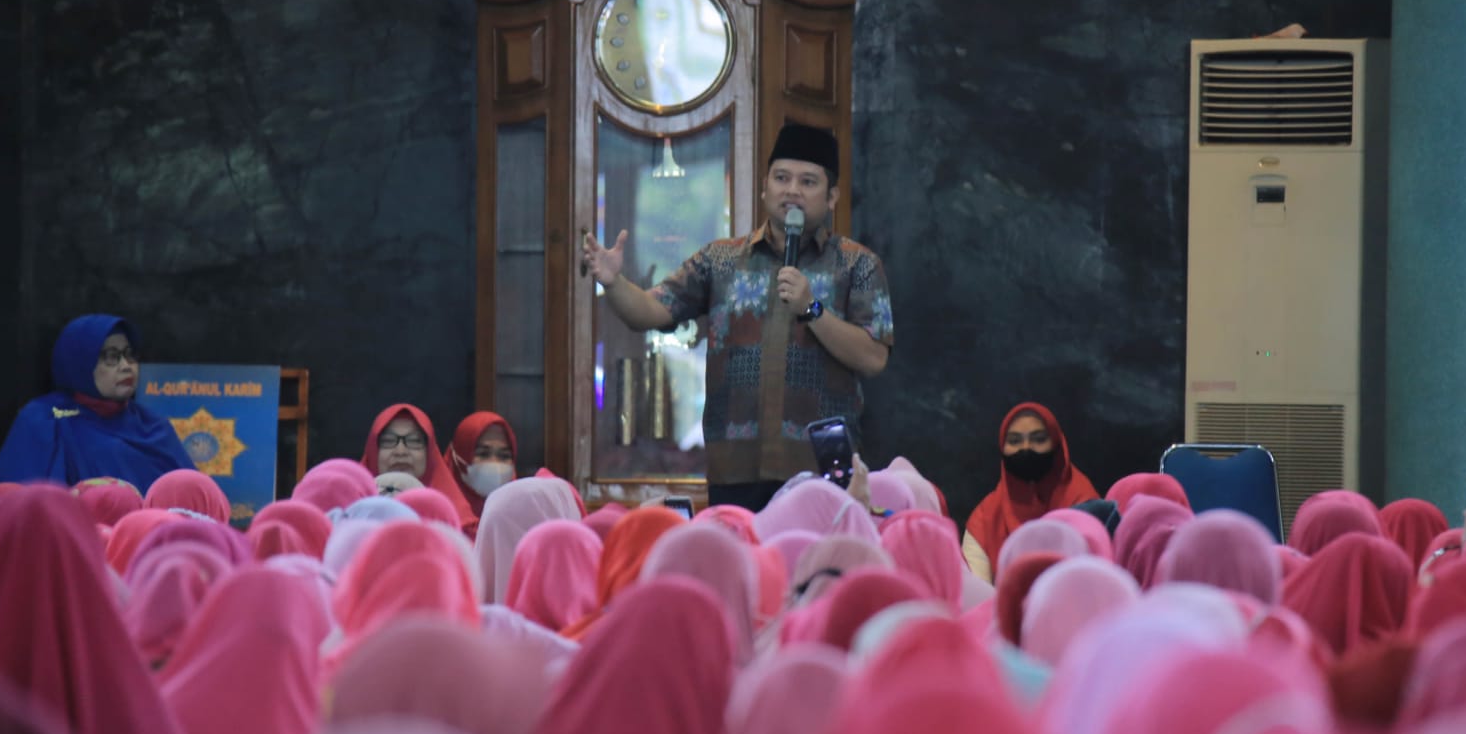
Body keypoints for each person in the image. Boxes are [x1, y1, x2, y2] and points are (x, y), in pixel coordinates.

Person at [582, 124, 893, 511]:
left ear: (832, 197)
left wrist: (812, 309)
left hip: (823, 469)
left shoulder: (858, 264)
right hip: (736, 472)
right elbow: (650, 311)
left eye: (808, 182)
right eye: (781, 178)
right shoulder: (720, 260)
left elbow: (873, 357)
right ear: (764, 188)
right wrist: (613, 282)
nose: (792, 190)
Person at [0, 314, 195, 489]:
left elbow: (196, 501)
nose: (126, 366)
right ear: (80, 363)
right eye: (111, 356)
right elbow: (16, 505)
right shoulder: (45, 420)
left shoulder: (153, 426)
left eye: (129, 354)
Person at [962, 403, 1098, 582]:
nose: (1026, 448)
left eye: (1039, 439)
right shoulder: (986, 518)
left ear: (1056, 444)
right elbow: (976, 591)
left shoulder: (1086, 506)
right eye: (1014, 441)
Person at [359, 403, 477, 533]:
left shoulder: (460, 525)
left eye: (414, 441)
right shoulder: (350, 515)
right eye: (388, 441)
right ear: (373, 451)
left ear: (430, 453)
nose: (401, 451)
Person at [445, 412, 519, 523]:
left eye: (504, 456)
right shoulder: (438, 515)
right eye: (483, 454)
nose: (494, 463)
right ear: (459, 457)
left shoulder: (523, 515)